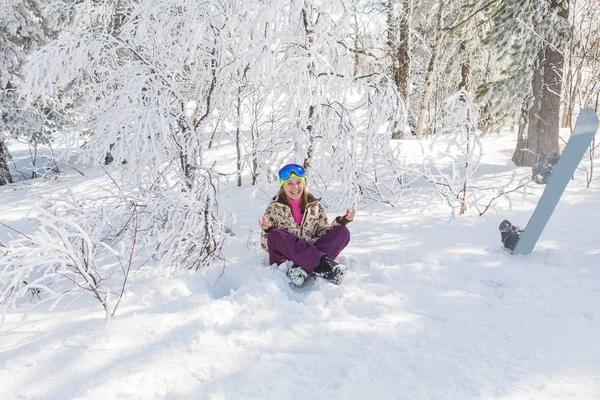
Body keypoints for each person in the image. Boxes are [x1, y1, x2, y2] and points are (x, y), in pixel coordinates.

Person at [258, 163, 355, 287]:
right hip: (286, 258)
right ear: (283, 186)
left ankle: (302, 269)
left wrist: (343, 221)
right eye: (289, 183)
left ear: (304, 183)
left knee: (343, 232)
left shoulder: (315, 206)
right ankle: (324, 266)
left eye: (299, 182)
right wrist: (267, 231)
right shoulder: (274, 208)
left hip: (312, 249)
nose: (295, 187)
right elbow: (266, 246)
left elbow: (323, 232)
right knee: (275, 234)